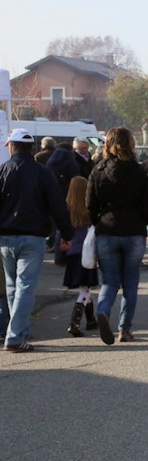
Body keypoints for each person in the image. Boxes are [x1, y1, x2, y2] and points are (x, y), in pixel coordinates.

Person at [0, 129, 74, 352]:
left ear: (12, 146)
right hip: (32, 236)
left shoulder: (3, 171)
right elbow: (57, 206)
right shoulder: (42, 172)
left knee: (13, 286)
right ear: (32, 148)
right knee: (25, 287)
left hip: (5, 237)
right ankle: (15, 335)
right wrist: (67, 234)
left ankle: (18, 331)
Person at [86, 127, 148, 345]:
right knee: (131, 283)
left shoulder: (97, 170)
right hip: (133, 232)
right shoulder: (139, 171)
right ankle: (124, 329)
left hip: (107, 231)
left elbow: (90, 205)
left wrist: (99, 222)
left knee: (109, 281)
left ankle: (104, 311)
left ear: (107, 144)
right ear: (131, 144)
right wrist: (139, 224)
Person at [56, 176, 99, 337]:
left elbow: (60, 237)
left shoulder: (66, 211)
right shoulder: (90, 211)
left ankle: (91, 320)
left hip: (73, 254)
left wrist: (60, 257)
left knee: (84, 287)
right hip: (87, 254)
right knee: (86, 289)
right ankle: (74, 322)